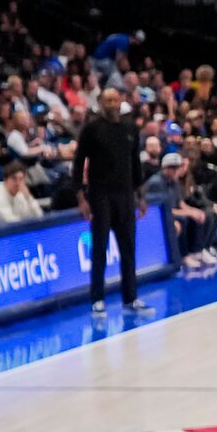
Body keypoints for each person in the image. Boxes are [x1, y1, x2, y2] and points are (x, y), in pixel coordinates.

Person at [74, 87, 145, 320]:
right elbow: (78, 163)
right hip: (100, 196)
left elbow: (135, 163)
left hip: (125, 196)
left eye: (116, 99)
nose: (113, 103)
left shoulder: (130, 128)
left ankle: (130, 297)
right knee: (99, 249)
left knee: (129, 248)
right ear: (101, 103)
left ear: (121, 101)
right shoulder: (92, 129)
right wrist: (81, 197)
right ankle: (97, 299)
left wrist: (140, 194)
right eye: (108, 100)